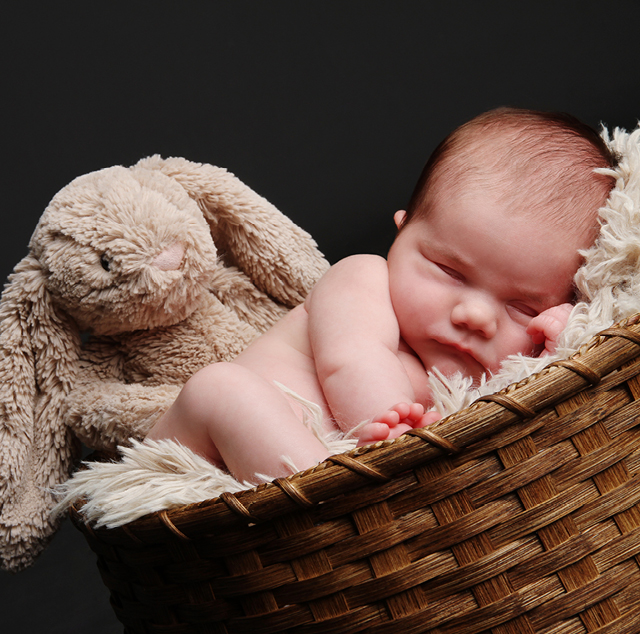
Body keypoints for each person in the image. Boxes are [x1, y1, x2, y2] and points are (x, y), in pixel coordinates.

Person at [146, 107, 617, 483]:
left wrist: (559, 347)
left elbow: (537, 410)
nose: (474, 314)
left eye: (522, 307)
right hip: (204, 445)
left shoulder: (479, 375)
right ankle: (323, 509)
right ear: (401, 232)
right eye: (449, 271)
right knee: (221, 388)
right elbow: (351, 359)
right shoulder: (364, 279)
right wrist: (397, 442)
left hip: (296, 489)